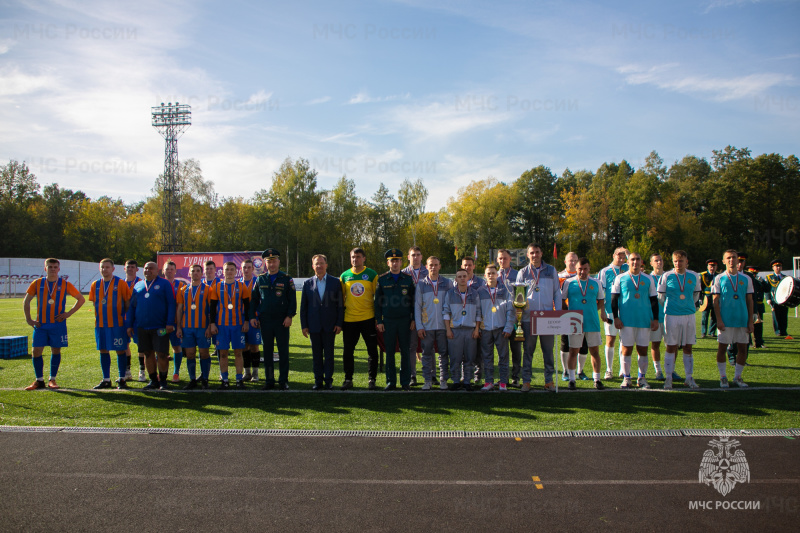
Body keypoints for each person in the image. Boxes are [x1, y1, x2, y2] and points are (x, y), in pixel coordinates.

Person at [22, 258, 85, 390]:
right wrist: (28, 319)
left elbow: (81, 299)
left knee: (56, 350)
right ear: (45, 268)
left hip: (58, 324)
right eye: (50, 267)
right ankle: (39, 380)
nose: (52, 269)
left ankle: (52, 379)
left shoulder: (65, 284)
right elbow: (26, 301)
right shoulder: (37, 283)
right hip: (41, 324)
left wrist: (68, 313)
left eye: (55, 267)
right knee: (36, 351)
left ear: (59, 269)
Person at [516, 242, 561, 392]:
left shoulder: (551, 270)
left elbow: (557, 293)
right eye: (532, 253)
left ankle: (549, 381)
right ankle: (526, 381)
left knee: (548, 352)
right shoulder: (523, 272)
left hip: (547, 317)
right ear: (528, 255)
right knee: (528, 351)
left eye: (537, 252)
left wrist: (558, 313)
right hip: (529, 318)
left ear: (541, 253)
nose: (535, 255)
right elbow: (518, 295)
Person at [125, 262, 176, 390]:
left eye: (151, 268)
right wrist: (129, 325)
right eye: (146, 268)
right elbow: (132, 307)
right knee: (148, 353)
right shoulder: (138, 285)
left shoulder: (164, 284)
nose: (148, 270)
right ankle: (153, 380)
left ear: (157, 270)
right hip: (142, 327)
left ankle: (163, 381)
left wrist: (170, 322)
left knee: (162, 354)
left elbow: (171, 304)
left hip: (160, 327)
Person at [611, 252, 658, 389]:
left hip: (644, 320)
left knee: (643, 350)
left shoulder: (648, 279)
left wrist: (655, 319)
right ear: (628, 261)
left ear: (641, 261)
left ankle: (641, 378)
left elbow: (653, 300)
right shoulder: (620, 278)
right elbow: (614, 300)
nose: (635, 262)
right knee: (626, 350)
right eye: (632, 259)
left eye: (637, 259)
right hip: (626, 321)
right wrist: (616, 317)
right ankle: (626, 378)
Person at [250, 249, 296, 390]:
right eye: (269, 261)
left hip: (282, 321)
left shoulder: (286, 278)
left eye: (274, 261)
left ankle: (283, 381)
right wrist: (252, 316)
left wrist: (289, 316)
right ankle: (269, 380)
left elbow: (292, 300)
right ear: (265, 263)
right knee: (268, 352)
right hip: (265, 321)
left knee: (283, 352)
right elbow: (254, 300)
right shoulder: (260, 279)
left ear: (279, 262)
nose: (272, 264)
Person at [561, 257, 608, 390]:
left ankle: (597, 379)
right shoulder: (568, 282)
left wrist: (596, 311)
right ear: (576, 269)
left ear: (589, 269)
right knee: (573, 351)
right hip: (574, 322)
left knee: (594, 351)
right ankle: (571, 379)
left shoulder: (596, 282)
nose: (582, 272)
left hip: (592, 322)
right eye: (580, 269)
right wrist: (568, 315)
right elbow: (562, 300)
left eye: (585, 269)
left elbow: (601, 300)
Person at [657, 251, 702, 390]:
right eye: (675, 261)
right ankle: (668, 378)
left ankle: (689, 378)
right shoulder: (667, 276)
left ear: (686, 261)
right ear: (672, 262)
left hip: (688, 314)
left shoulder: (694, 276)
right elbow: (661, 297)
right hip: (671, 315)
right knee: (671, 346)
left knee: (688, 346)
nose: (678, 263)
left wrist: (687, 305)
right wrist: (672, 307)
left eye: (681, 261)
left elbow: (696, 295)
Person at [300, 254, 344, 390]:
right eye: (316, 264)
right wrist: (304, 325)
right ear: (313, 266)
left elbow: (340, 305)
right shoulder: (307, 283)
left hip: (330, 325)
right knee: (316, 356)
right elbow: (303, 307)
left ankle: (328, 380)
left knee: (329, 355)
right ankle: (318, 381)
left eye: (321, 263)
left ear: (326, 265)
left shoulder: (335, 282)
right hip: (313, 326)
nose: (319, 266)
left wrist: (339, 323)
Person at [374, 249, 416, 391]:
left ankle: (405, 382)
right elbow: (377, 303)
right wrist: (379, 321)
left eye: (397, 260)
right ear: (388, 263)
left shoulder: (408, 279)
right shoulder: (382, 279)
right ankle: (391, 381)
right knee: (390, 352)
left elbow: (413, 302)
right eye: (392, 261)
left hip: (405, 321)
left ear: (401, 262)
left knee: (405, 351)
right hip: (388, 322)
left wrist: (414, 319)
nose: (395, 263)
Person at [339, 247, 380, 390]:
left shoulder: (371, 274)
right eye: (352, 257)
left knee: (372, 351)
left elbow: (378, 298)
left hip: (368, 319)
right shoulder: (344, 276)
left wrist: (378, 318)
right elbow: (340, 299)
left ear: (364, 258)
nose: (355, 259)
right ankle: (348, 379)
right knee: (348, 351)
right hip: (349, 320)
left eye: (358, 256)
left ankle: (372, 379)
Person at [712, 250, 754, 388]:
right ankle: (723, 377)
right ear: (723, 261)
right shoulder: (719, 278)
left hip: (742, 319)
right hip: (726, 319)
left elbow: (749, 300)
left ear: (738, 260)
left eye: (734, 258)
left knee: (743, 349)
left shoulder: (746, 279)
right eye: (728, 258)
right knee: (722, 348)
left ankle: (737, 377)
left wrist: (750, 321)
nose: (731, 260)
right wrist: (718, 320)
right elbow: (715, 301)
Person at [89, 259, 131, 389]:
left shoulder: (121, 283)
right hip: (101, 324)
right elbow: (94, 303)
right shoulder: (95, 284)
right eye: (102, 267)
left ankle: (122, 378)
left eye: (107, 267)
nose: (104, 269)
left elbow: (128, 303)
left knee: (120, 350)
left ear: (113, 269)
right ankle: (106, 379)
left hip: (117, 324)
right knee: (103, 350)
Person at [210, 261, 251, 389]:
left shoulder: (241, 286)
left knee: (238, 353)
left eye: (232, 269)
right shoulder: (217, 286)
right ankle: (225, 379)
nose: (229, 272)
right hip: (222, 326)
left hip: (238, 325)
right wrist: (212, 324)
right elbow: (212, 307)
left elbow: (248, 306)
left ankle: (239, 380)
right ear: (223, 271)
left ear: (235, 271)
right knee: (223, 353)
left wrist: (246, 322)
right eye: (227, 269)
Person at [415, 256, 452, 390]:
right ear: (426, 266)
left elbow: (451, 306)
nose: (433, 267)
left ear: (440, 266)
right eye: (431, 265)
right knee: (426, 354)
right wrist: (419, 326)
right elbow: (417, 306)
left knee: (443, 354)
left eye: (436, 265)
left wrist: (449, 326)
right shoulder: (421, 284)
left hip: (443, 326)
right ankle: (427, 380)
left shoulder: (447, 283)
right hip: (427, 326)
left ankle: (443, 380)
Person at [175, 264, 214, 389]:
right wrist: (179, 327)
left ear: (201, 274)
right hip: (187, 327)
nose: (195, 273)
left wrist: (209, 326)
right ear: (189, 273)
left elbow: (211, 310)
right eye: (193, 271)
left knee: (204, 353)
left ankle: (205, 379)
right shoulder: (183, 289)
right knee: (190, 354)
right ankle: (192, 379)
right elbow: (180, 309)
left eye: (198, 271)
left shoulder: (208, 289)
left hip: (203, 327)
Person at [477, 263, 515, 391]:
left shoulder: (505, 290)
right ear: (484, 276)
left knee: (503, 356)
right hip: (486, 329)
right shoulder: (480, 291)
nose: (491, 276)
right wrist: (479, 327)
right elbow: (478, 311)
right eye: (488, 274)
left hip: (501, 328)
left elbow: (510, 310)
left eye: (493, 273)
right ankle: (488, 381)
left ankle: (503, 382)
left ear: (497, 275)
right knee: (487, 357)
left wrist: (508, 327)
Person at [443, 268, 482, 391]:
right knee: (455, 358)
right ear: (456, 279)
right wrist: (448, 330)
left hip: (470, 331)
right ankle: (455, 380)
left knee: (470, 358)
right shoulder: (450, 293)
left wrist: (477, 329)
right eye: (459, 276)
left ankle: (467, 381)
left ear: (468, 278)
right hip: (455, 330)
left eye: (464, 276)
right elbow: (446, 312)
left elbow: (478, 313)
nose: (462, 278)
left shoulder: (474, 293)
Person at [598, 247, 629, 380]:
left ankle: (623, 369)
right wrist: (603, 311)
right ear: (613, 255)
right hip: (611, 310)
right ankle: (609, 370)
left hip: (627, 310)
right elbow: (600, 294)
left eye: (624, 256)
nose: (621, 258)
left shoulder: (629, 269)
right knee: (610, 339)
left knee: (625, 340)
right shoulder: (605, 272)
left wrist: (628, 254)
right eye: (619, 255)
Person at [558, 252, 589, 381]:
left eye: (575, 260)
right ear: (565, 262)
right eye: (570, 260)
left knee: (584, 343)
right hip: (566, 313)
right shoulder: (559, 276)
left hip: (584, 314)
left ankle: (580, 371)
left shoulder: (583, 276)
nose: (572, 262)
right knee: (565, 343)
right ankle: (565, 371)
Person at [402, 246, 428, 386]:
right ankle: (412, 375)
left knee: (428, 346)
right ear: (408, 257)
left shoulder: (429, 271)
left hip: (427, 314)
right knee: (412, 346)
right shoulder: (403, 274)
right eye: (413, 255)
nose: (416, 257)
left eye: (418, 254)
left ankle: (429, 375)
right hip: (409, 316)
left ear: (421, 257)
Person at [496, 248, 522, 386]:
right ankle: (503, 377)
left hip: (517, 318)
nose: (502, 260)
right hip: (500, 318)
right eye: (500, 258)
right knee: (502, 351)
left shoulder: (517, 275)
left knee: (516, 350)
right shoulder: (494, 275)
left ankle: (516, 377)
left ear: (510, 259)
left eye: (505, 258)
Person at [162, 261, 186, 383]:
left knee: (177, 347)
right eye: (167, 269)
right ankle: (162, 373)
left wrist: (180, 325)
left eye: (172, 269)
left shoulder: (181, 285)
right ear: (163, 270)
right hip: (161, 324)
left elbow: (182, 307)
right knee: (160, 348)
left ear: (175, 271)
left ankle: (176, 373)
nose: (169, 271)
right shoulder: (159, 284)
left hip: (176, 324)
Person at [240, 258, 262, 381]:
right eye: (244, 267)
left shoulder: (257, 282)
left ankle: (255, 373)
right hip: (241, 320)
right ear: (241, 269)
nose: (246, 270)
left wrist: (257, 315)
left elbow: (262, 301)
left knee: (254, 346)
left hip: (254, 319)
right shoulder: (237, 283)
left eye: (249, 267)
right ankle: (246, 372)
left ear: (253, 269)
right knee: (244, 346)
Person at [123, 259, 144, 382]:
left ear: (137, 269)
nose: (130, 269)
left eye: (132, 267)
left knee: (141, 346)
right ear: (124, 268)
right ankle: (127, 371)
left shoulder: (141, 283)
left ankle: (142, 371)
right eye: (128, 267)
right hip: (123, 320)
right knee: (125, 345)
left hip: (138, 320)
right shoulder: (119, 283)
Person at [766, 259, 791, 338]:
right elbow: (767, 289)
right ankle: (778, 331)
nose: (778, 268)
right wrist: (768, 298)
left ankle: (784, 331)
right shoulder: (769, 277)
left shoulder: (785, 277)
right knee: (776, 316)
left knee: (784, 316)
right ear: (773, 267)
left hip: (784, 300)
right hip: (774, 300)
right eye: (776, 266)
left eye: (780, 266)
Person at [746, 265, 768, 349]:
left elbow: (767, 289)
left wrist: (762, 281)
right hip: (749, 305)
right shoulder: (746, 279)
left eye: (755, 274)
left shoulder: (757, 281)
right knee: (747, 325)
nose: (754, 275)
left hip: (758, 305)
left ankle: (759, 342)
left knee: (758, 326)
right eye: (752, 273)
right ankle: (749, 342)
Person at [700, 259, 719, 338]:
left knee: (714, 316)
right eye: (711, 266)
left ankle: (711, 332)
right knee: (705, 316)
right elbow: (700, 287)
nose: (712, 268)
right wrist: (700, 298)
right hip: (706, 297)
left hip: (715, 297)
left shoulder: (718, 275)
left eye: (714, 266)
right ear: (707, 266)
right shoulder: (703, 275)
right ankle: (703, 332)